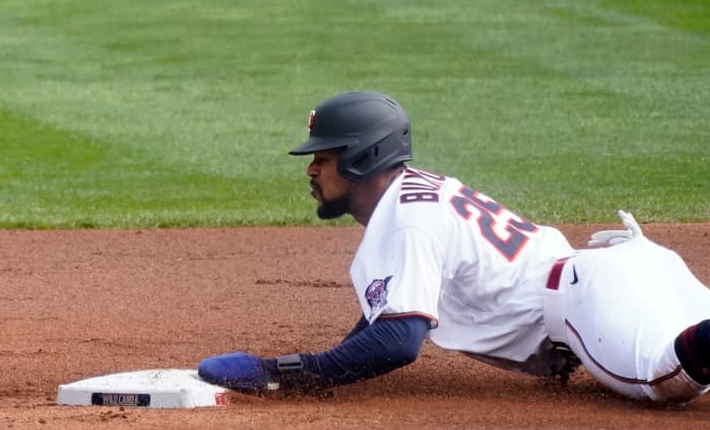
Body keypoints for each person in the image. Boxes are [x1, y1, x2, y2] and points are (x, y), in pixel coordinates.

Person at [198, 90, 710, 404]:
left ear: (361, 159)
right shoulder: (415, 194)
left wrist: (282, 374)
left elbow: (397, 343)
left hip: (594, 301)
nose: (310, 169)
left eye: (324, 158)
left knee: (669, 377)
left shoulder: (406, 222)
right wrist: (331, 362)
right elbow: (388, 316)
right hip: (630, 269)